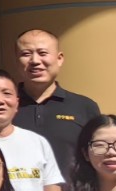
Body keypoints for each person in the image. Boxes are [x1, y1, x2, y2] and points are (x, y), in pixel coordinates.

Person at [14, 28, 102, 164]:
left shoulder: (84, 106)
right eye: (26, 54)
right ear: (17, 60)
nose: (35, 60)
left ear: (59, 59)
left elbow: (98, 155)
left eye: (43, 53)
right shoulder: (3, 107)